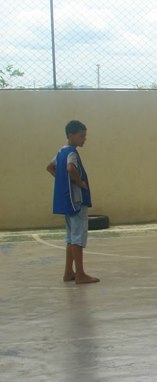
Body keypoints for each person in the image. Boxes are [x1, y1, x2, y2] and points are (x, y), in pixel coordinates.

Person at [46, 120, 99, 284]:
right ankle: (81, 274)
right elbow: (70, 168)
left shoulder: (61, 151)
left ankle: (69, 272)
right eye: (81, 136)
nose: (84, 139)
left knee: (70, 237)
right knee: (78, 237)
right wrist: (79, 182)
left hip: (67, 202)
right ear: (71, 135)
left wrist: (61, 180)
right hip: (76, 201)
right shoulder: (72, 154)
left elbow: (49, 167)